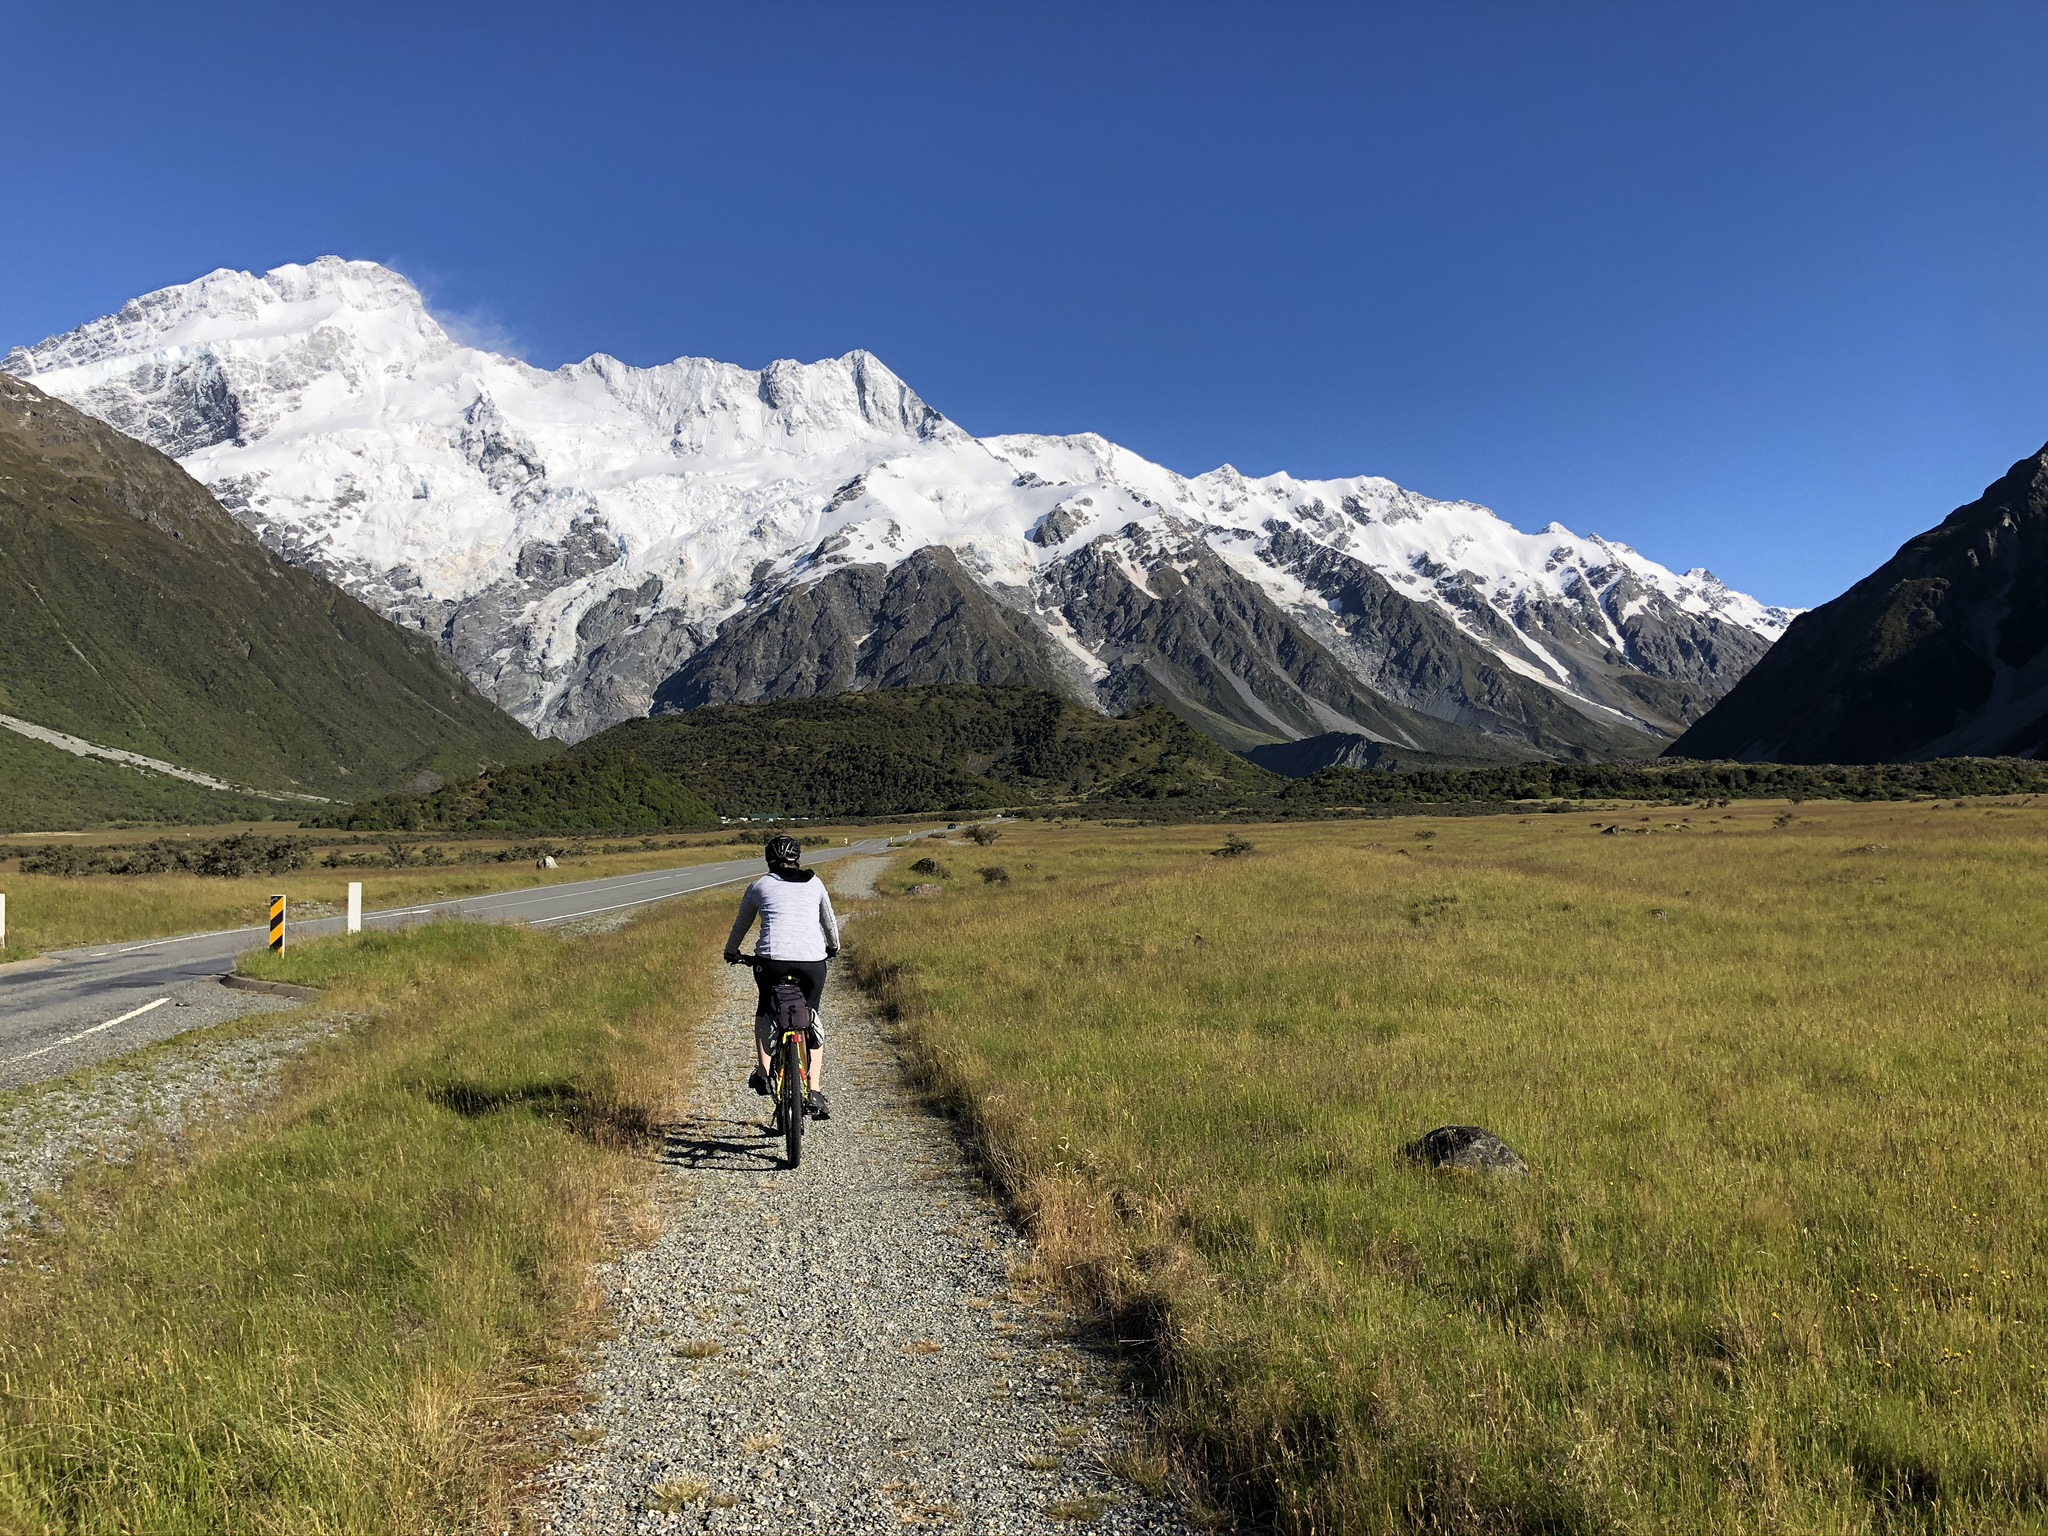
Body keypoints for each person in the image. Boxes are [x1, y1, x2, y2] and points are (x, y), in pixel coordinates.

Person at [724, 833, 839, 1119]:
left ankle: (764, 1073)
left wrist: (731, 951)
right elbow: (829, 921)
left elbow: (742, 924)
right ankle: (814, 1089)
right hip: (812, 962)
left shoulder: (759, 885)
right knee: (811, 1015)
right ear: (797, 859)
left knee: (765, 1007)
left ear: (768, 860)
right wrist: (833, 946)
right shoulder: (815, 883)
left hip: (771, 961)